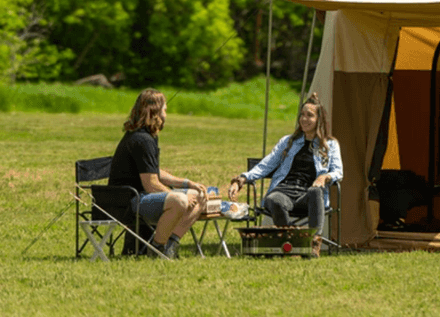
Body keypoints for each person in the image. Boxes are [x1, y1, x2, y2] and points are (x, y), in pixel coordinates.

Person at [228, 92, 343, 256]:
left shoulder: (330, 145)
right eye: (302, 115)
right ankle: (295, 242)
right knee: (273, 199)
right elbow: (267, 164)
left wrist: (324, 177)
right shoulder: (288, 141)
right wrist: (242, 178)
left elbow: (338, 171)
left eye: (309, 115)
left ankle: (313, 243)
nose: (304, 119)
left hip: (307, 195)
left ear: (319, 120)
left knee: (316, 191)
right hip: (285, 191)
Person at [109, 88, 207, 258]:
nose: (166, 115)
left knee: (199, 195)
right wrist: (177, 196)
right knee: (179, 200)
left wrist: (186, 184)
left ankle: (170, 244)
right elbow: (151, 184)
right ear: (154, 111)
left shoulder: (148, 136)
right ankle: (156, 249)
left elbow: (153, 172)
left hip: (141, 196)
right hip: (128, 201)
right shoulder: (141, 139)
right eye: (164, 110)